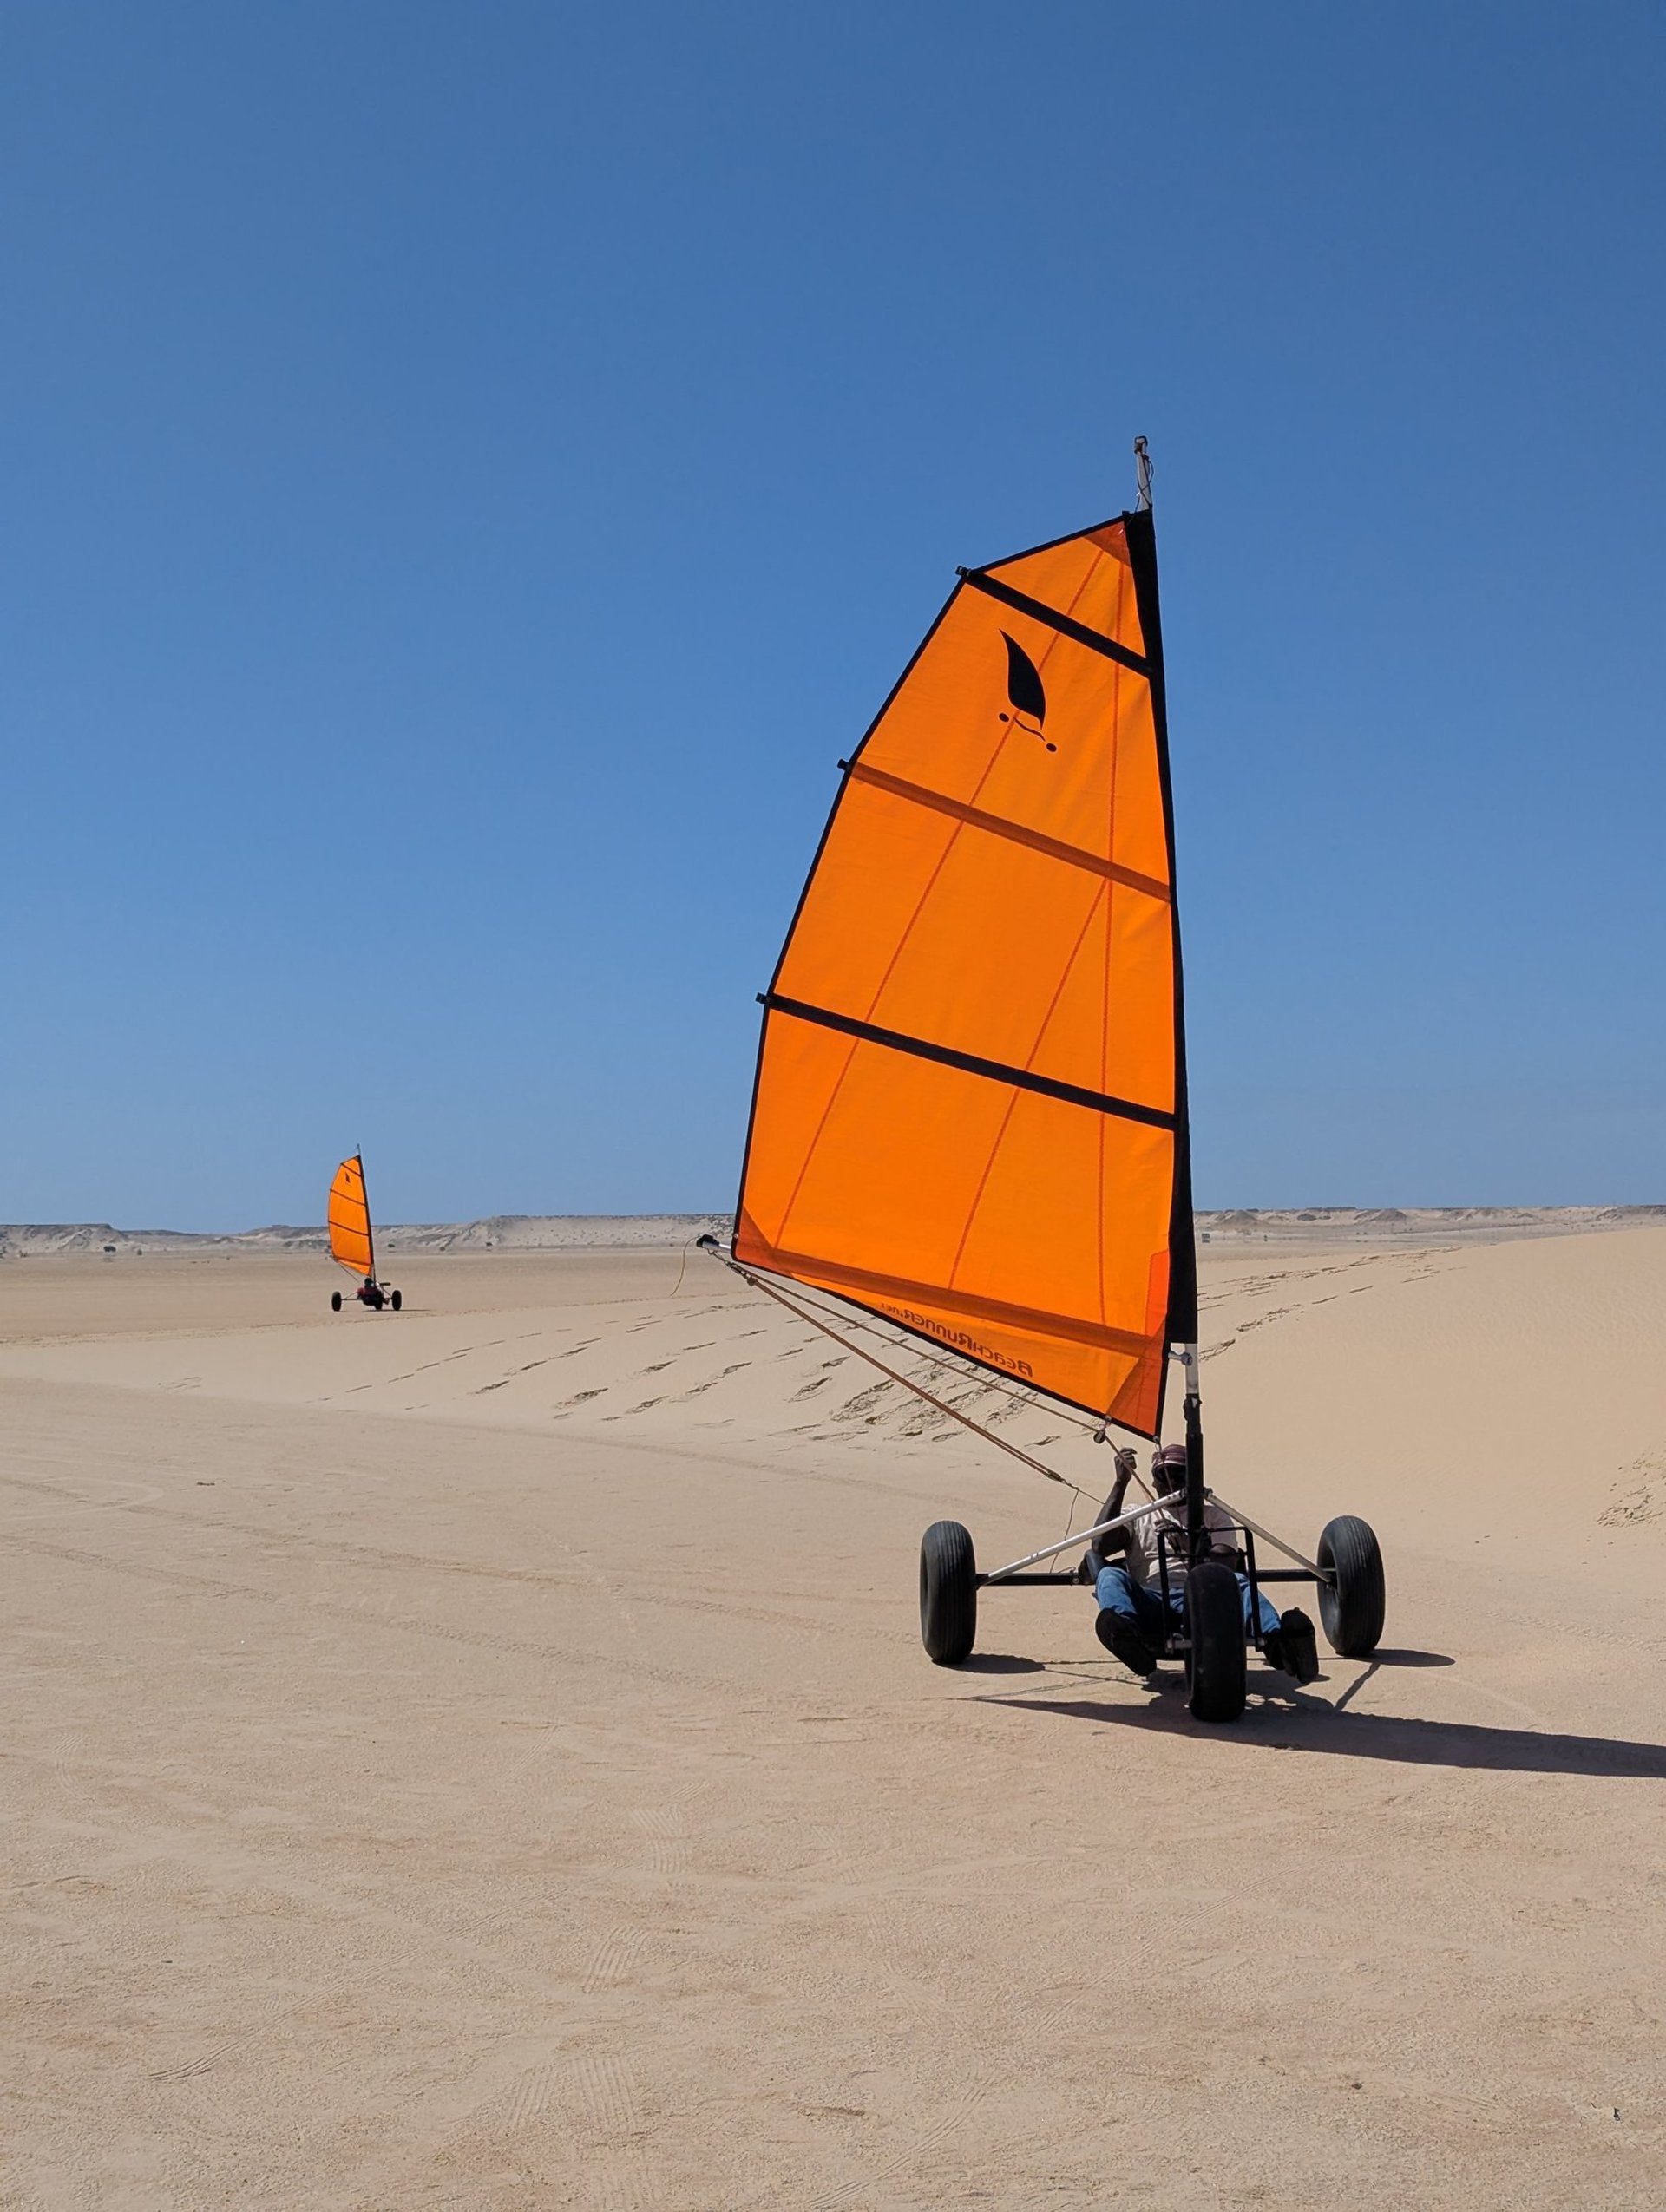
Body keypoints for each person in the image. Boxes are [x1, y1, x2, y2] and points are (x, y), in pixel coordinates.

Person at [1083, 1442, 1318, 1685]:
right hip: (1152, 1600)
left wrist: (1188, 1544)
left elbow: (1225, 1565)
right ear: (1152, 1481)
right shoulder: (1138, 1514)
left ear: (1192, 1478)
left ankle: (1277, 1642)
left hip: (1202, 1599)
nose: (1170, 1481)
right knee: (1109, 1575)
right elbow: (1100, 1544)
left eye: (1178, 1473)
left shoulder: (1213, 1515)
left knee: (1238, 1582)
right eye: (1162, 1475)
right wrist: (1120, 1484)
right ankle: (1125, 1636)